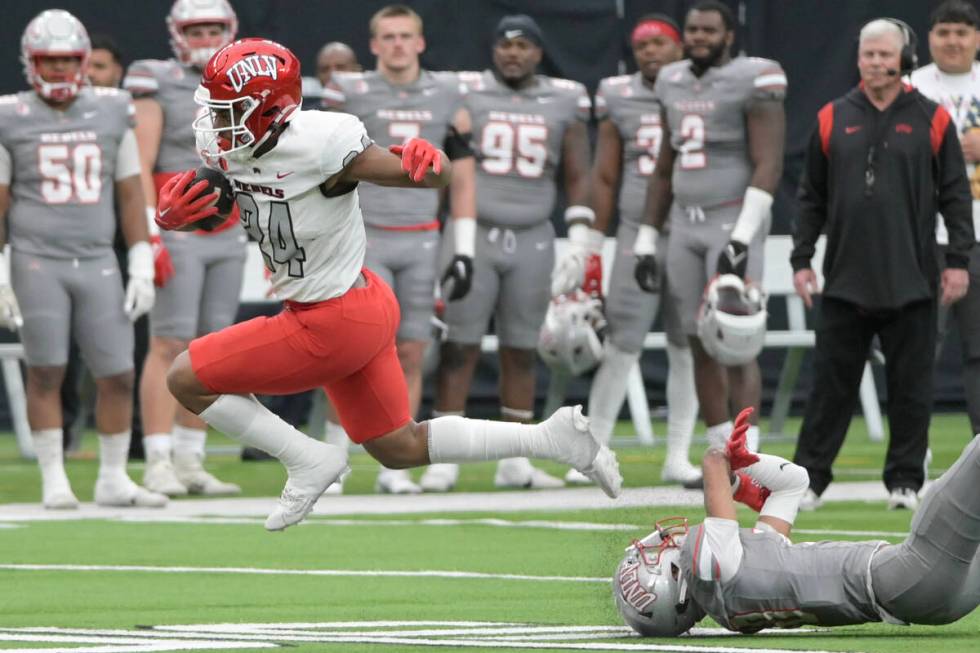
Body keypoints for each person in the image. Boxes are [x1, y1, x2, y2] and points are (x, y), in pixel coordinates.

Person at [159, 37, 621, 532]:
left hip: (329, 319)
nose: (216, 123)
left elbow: (428, 175)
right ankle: (549, 439)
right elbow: (239, 203)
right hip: (362, 303)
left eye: (229, 111)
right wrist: (183, 217)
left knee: (186, 377)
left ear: (271, 109)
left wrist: (432, 159)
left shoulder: (320, 141)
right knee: (397, 446)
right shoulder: (238, 146)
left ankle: (306, 459)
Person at [792, 18, 973, 511]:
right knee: (830, 387)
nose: (875, 63)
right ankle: (810, 482)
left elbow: (956, 197)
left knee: (912, 389)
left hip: (913, 278)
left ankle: (904, 483)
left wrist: (958, 261)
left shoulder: (932, 118)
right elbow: (811, 198)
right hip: (846, 280)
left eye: (884, 55)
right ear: (858, 59)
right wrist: (802, 259)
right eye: (867, 54)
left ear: (904, 58)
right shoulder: (831, 117)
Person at [613, 407, 980, 636]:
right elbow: (712, 462)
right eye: (655, 554)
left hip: (932, 601)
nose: (665, 542)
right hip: (911, 573)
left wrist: (742, 475)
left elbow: (793, 483)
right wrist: (724, 459)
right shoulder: (712, 571)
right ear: (671, 582)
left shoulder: (733, 595)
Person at [0, 9, 163, 509]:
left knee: (118, 371)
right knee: (47, 368)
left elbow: (131, 190)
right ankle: (55, 477)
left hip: (97, 258)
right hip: (35, 257)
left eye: (68, 61)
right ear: (31, 63)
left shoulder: (113, 108)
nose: (59, 71)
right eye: (49, 62)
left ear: (85, 60)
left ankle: (113, 477)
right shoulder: (11, 114)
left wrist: (140, 254)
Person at [433, 15, 594, 490]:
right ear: (492, 51)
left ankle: (516, 458)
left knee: (522, 350)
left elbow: (577, 172)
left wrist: (581, 238)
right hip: (476, 230)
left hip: (533, 234)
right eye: (505, 46)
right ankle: (444, 453)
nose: (513, 54)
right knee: (458, 346)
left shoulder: (565, 98)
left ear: (539, 52)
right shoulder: (465, 92)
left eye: (524, 45)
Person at [324, 4, 477, 494]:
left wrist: (464, 244)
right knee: (348, 351)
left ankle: (398, 463)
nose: (396, 44)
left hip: (422, 235)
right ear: (373, 45)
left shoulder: (448, 92)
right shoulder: (350, 90)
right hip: (361, 236)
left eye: (404, 35)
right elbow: (321, 162)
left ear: (420, 42)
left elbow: (463, 171)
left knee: (411, 348)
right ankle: (333, 457)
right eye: (387, 36)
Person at [633, 0, 787, 458]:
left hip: (731, 218)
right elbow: (665, 166)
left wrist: (741, 237)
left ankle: (749, 455)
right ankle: (722, 452)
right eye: (692, 30)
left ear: (728, 36)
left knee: (737, 340)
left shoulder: (754, 77)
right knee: (698, 340)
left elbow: (770, 163)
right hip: (684, 223)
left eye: (708, 30)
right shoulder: (671, 79)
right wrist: (646, 237)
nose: (699, 37)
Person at [552, 14, 700, 487]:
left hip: (693, 231)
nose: (650, 52)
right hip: (639, 233)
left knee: (687, 346)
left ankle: (678, 454)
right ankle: (591, 450)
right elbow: (607, 176)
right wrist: (590, 244)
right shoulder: (620, 95)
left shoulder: (706, 90)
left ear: (679, 48)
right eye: (642, 46)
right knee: (619, 344)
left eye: (660, 43)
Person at [123, 0, 244, 497]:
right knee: (168, 344)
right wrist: (151, 236)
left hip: (230, 227)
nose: (206, 36)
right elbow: (141, 160)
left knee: (212, 350)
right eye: (196, 28)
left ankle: (192, 460)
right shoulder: (157, 79)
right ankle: (157, 459)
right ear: (176, 33)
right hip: (179, 225)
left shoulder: (241, 79)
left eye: (215, 28)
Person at [911, 0, 980, 436]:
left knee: (979, 350)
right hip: (921, 233)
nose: (953, 40)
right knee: (916, 349)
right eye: (944, 32)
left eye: (962, 31)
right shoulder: (909, 87)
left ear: (977, 38)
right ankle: (911, 456)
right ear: (929, 38)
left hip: (976, 234)